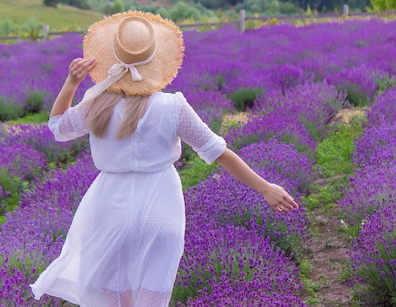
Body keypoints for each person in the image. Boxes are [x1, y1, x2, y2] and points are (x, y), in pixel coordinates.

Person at [30, 11, 299, 307]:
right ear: (155, 61)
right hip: (160, 205)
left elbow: (57, 127)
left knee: (110, 294)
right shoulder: (173, 107)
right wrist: (265, 188)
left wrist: (71, 82)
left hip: (108, 205)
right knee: (151, 295)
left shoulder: (96, 105)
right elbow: (218, 151)